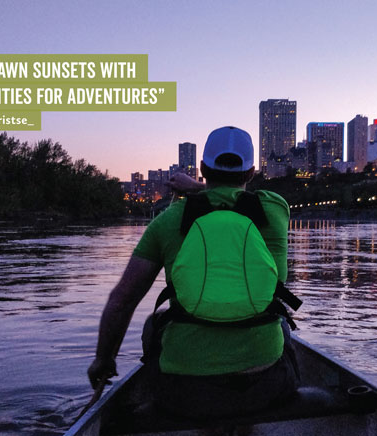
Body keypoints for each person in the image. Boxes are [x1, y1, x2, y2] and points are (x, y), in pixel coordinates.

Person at [87, 126, 300, 419]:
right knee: (283, 326)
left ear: (201, 168)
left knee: (154, 324)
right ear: (251, 172)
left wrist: (103, 359)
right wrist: (197, 189)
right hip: (266, 387)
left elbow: (122, 300)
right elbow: (234, 198)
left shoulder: (168, 221)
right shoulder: (274, 211)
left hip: (184, 393)